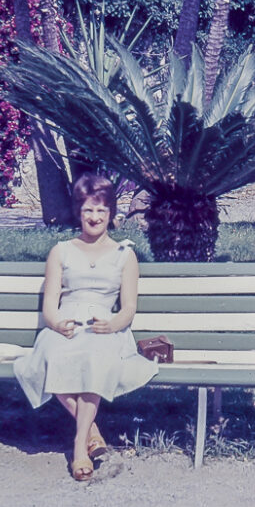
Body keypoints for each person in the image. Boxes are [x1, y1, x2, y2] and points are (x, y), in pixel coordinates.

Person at [14, 174, 158, 481]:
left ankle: (79, 446)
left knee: (96, 358)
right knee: (50, 356)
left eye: (101, 211)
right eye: (88, 210)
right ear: (78, 212)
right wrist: (55, 323)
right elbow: (50, 304)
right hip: (66, 323)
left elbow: (129, 308)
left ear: (110, 213)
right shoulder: (61, 251)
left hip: (104, 325)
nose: (94, 217)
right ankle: (90, 429)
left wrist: (113, 325)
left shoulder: (125, 254)